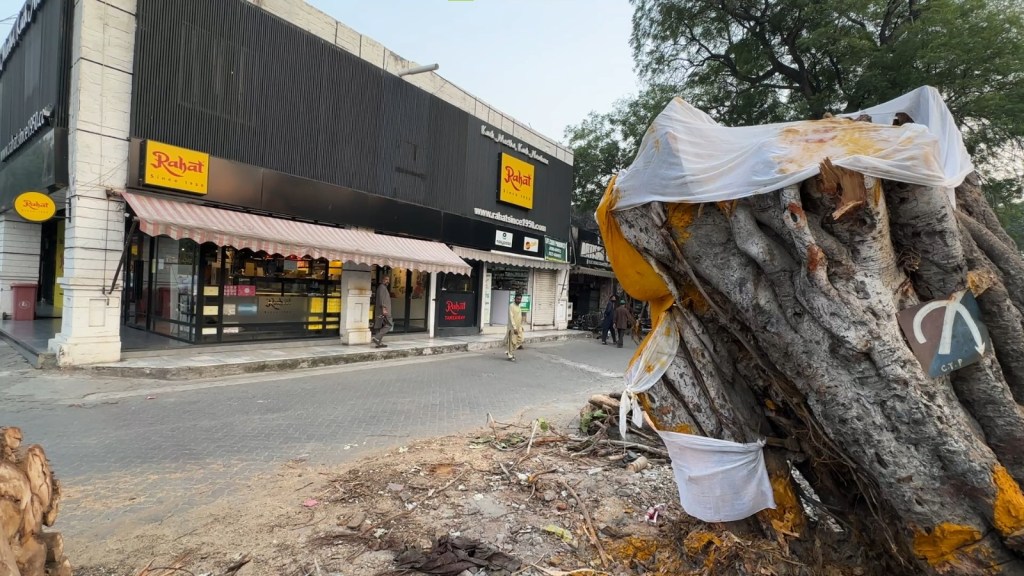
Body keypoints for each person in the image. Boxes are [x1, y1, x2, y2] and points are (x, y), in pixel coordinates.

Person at [372, 273, 393, 348]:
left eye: (388, 280)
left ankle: (379, 342)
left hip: (383, 310)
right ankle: (377, 338)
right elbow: (381, 299)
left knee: (380, 326)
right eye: (386, 279)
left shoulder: (383, 287)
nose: (387, 281)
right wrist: (384, 309)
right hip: (385, 311)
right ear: (382, 280)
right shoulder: (382, 287)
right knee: (389, 324)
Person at [506, 292, 525, 361]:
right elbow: (511, 318)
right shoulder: (511, 306)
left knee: (521, 339)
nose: (519, 300)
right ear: (514, 299)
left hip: (519, 327)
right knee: (512, 342)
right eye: (517, 299)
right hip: (512, 327)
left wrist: (520, 326)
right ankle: (510, 355)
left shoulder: (519, 306)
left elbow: (519, 317)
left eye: (520, 299)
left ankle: (509, 352)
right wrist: (514, 328)